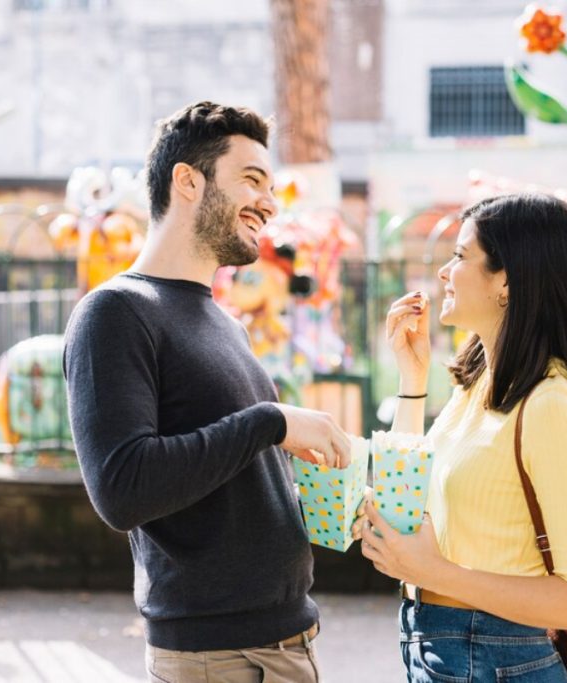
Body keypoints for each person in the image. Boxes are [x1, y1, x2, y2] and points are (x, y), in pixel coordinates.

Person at [63, 101, 351, 683]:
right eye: (251, 180)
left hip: (285, 640)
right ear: (188, 181)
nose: (269, 202)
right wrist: (270, 423)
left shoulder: (223, 322)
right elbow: (122, 489)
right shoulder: (114, 312)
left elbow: (225, 480)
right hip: (218, 659)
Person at [358, 193, 567, 683]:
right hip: (438, 643)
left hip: (498, 657)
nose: (443, 273)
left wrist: (433, 572)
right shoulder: (482, 382)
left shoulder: (553, 405)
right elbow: (409, 493)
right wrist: (412, 381)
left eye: (460, 256)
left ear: (507, 280)